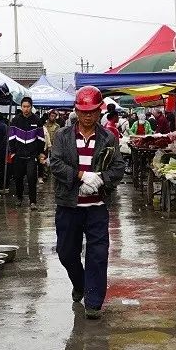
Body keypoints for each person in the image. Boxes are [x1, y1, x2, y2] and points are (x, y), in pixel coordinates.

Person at [49, 86, 126, 320]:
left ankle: (93, 302)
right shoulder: (62, 136)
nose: (88, 115)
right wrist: (81, 176)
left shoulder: (108, 137)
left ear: (99, 110)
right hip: (69, 206)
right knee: (66, 252)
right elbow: (55, 164)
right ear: (76, 110)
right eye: (83, 111)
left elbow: (119, 167)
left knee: (98, 254)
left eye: (92, 110)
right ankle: (80, 283)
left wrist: (101, 179)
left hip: (96, 209)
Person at [9, 96, 44, 209]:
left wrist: (40, 153)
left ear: (31, 107)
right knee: (18, 178)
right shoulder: (15, 120)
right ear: (21, 107)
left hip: (31, 156)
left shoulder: (37, 120)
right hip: (18, 155)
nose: (26, 109)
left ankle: (32, 201)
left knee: (31, 178)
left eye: (28, 107)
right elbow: (11, 137)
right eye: (24, 106)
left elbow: (41, 139)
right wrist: (13, 152)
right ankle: (19, 198)